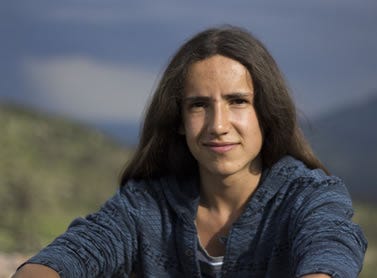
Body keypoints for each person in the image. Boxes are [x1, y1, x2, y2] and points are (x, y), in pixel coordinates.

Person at [14, 26, 367, 278]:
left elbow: (331, 249)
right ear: (179, 119)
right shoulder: (145, 206)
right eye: (199, 105)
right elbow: (76, 252)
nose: (218, 125)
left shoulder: (309, 197)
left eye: (238, 101)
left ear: (266, 112)